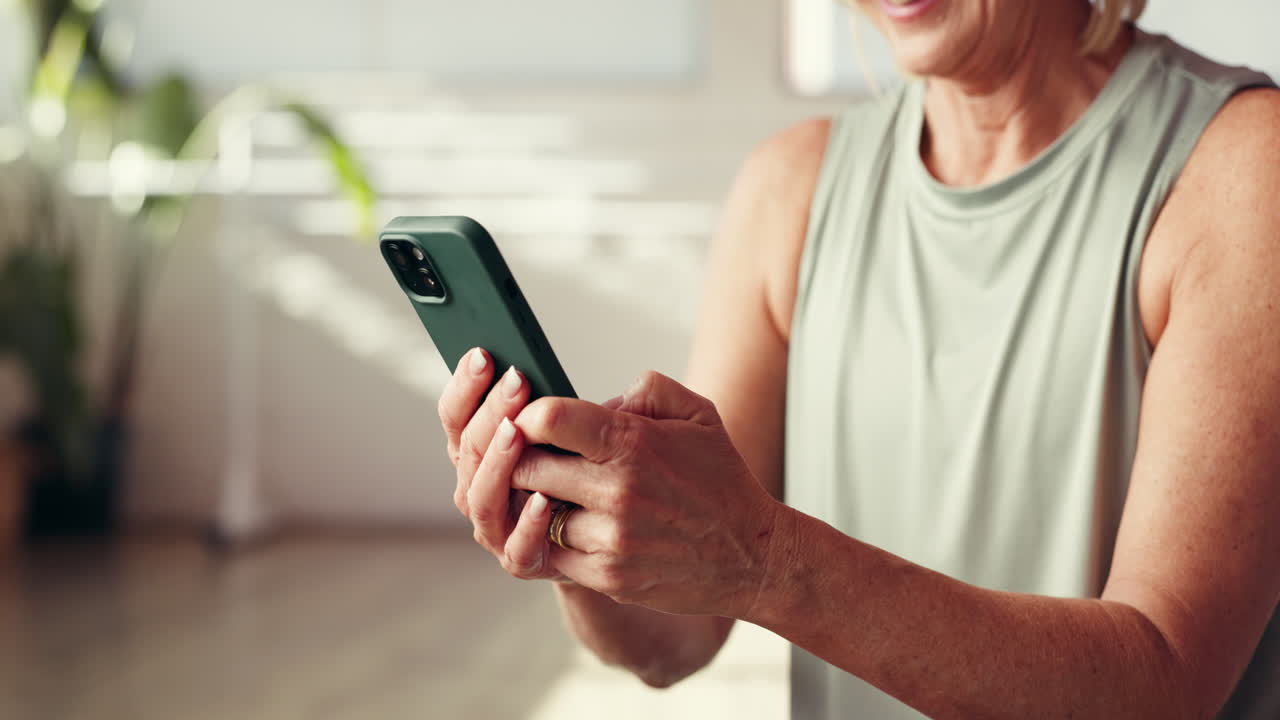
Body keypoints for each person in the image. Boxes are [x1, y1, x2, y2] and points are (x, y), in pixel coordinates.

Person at [437, 0, 1280, 717]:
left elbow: (1166, 680)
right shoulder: (788, 188)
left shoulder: (1242, 167)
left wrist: (765, 560)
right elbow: (674, 642)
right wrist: (577, 535)